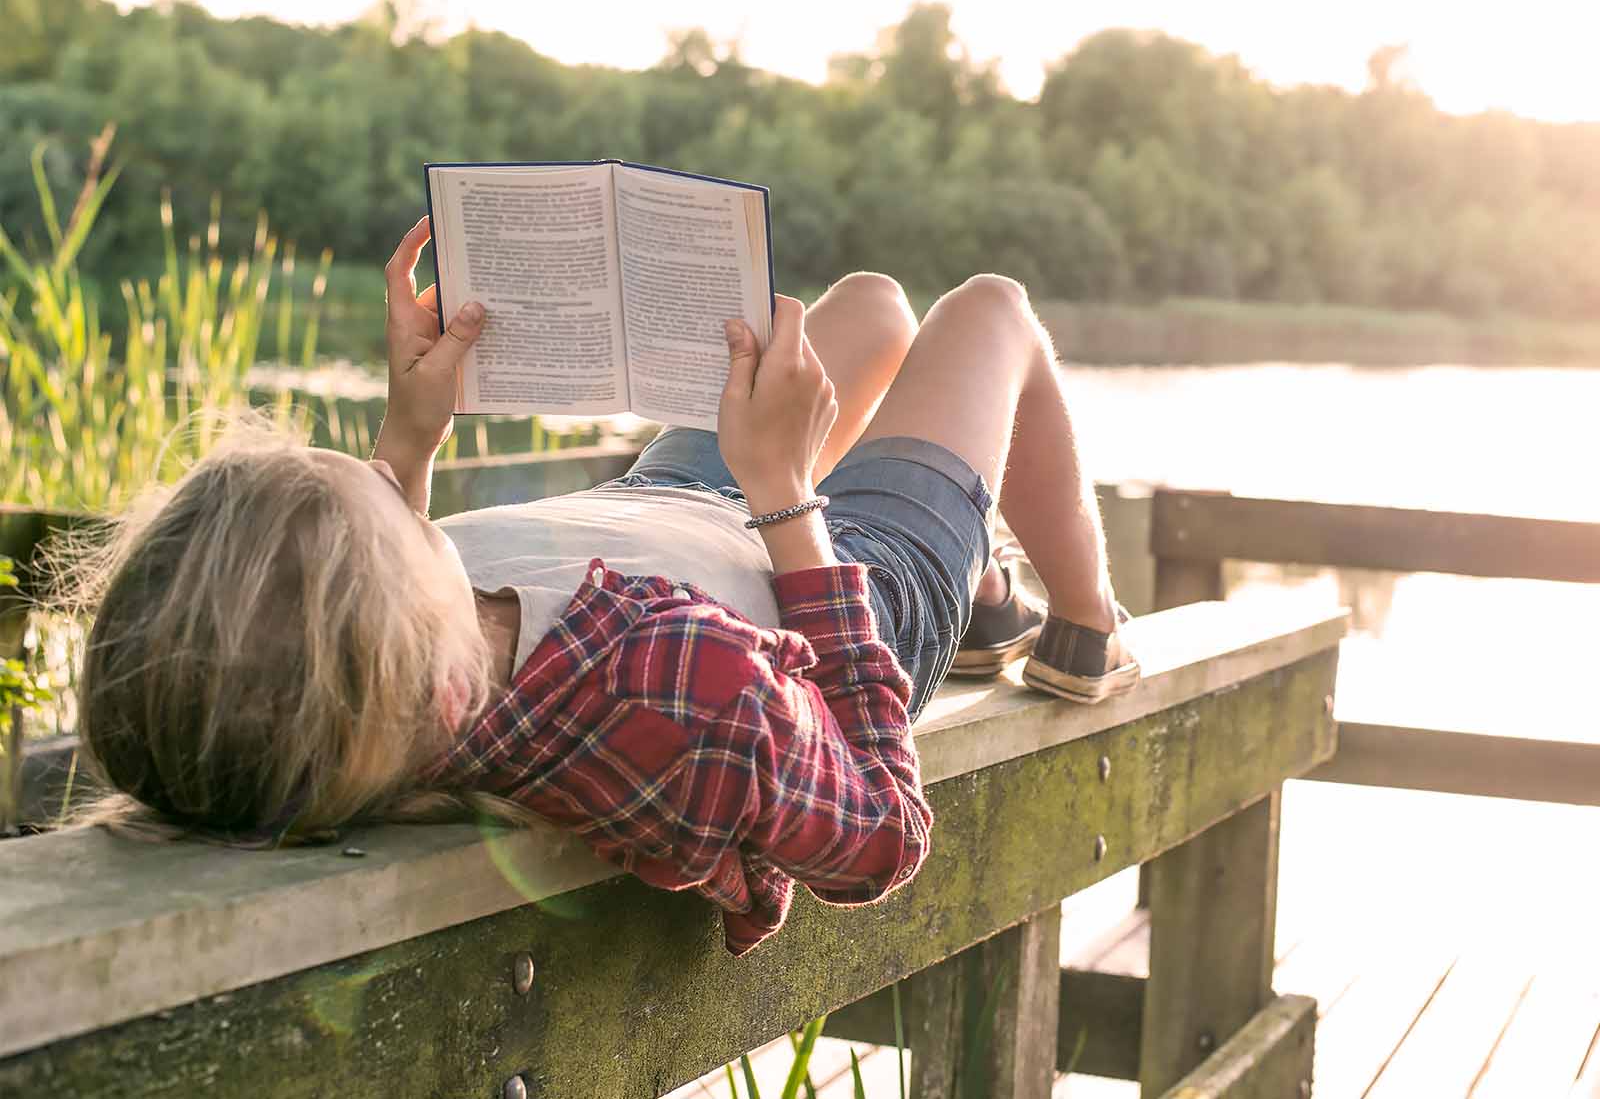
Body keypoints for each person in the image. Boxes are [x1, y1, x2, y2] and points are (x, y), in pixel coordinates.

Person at [75, 217, 1137, 955]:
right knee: (989, 310)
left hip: (666, 505)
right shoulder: (673, 690)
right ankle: (1079, 624)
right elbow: (882, 832)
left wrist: (412, 434)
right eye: (382, 506)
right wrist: (778, 487)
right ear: (429, 655)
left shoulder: (388, 676)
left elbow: (365, 617)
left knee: (861, 309)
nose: (380, 484)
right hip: (827, 568)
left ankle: (986, 581)